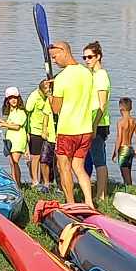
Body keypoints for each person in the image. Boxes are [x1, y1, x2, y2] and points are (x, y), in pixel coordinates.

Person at [47, 40, 97, 205]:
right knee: (79, 167)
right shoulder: (87, 73)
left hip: (68, 130)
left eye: (55, 57)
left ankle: (70, 203)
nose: (54, 61)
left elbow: (55, 108)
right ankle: (89, 202)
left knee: (64, 167)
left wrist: (49, 94)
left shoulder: (62, 78)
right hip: (85, 129)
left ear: (63, 51)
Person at [84, 42, 114, 199]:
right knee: (90, 157)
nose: (87, 60)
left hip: (99, 123)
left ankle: (101, 194)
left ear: (98, 57)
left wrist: (95, 125)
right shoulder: (93, 75)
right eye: (85, 57)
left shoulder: (101, 75)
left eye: (90, 57)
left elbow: (102, 105)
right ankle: (94, 190)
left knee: (99, 159)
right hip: (90, 122)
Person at [0, 88, 29, 187]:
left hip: (18, 139)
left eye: (15, 98)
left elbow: (17, 126)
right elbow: (9, 124)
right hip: (10, 139)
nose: (13, 100)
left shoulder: (21, 112)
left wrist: (4, 125)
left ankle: (16, 184)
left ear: (19, 99)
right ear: (7, 100)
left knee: (15, 162)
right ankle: (16, 182)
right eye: (10, 98)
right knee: (12, 163)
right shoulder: (11, 112)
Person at [26, 76, 56, 190]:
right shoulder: (34, 96)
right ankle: (35, 181)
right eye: (46, 89)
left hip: (47, 132)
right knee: (36, 157)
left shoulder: (50, 98)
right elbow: (27, 111)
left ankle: (46, 181)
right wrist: (26, 132)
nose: (48, 90)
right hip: (35, 130)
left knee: (46, 158)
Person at [114, 97, 136, 186]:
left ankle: (129, 191)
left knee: (125, 174)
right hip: (130, 149)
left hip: (123, 149)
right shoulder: (134, 121)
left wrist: (115, 152)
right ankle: (129, 189)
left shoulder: (120, 122)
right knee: (128, 172)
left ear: (120, 107)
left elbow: (119, 138)